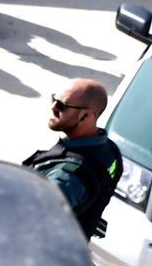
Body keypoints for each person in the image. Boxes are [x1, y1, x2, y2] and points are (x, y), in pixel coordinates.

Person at [25, 79, 122, 237]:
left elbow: (29, 221)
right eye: (54, 99)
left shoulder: (66, 176)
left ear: (85, 116)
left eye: (61, 106)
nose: (53, 108)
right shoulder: (110, 150)